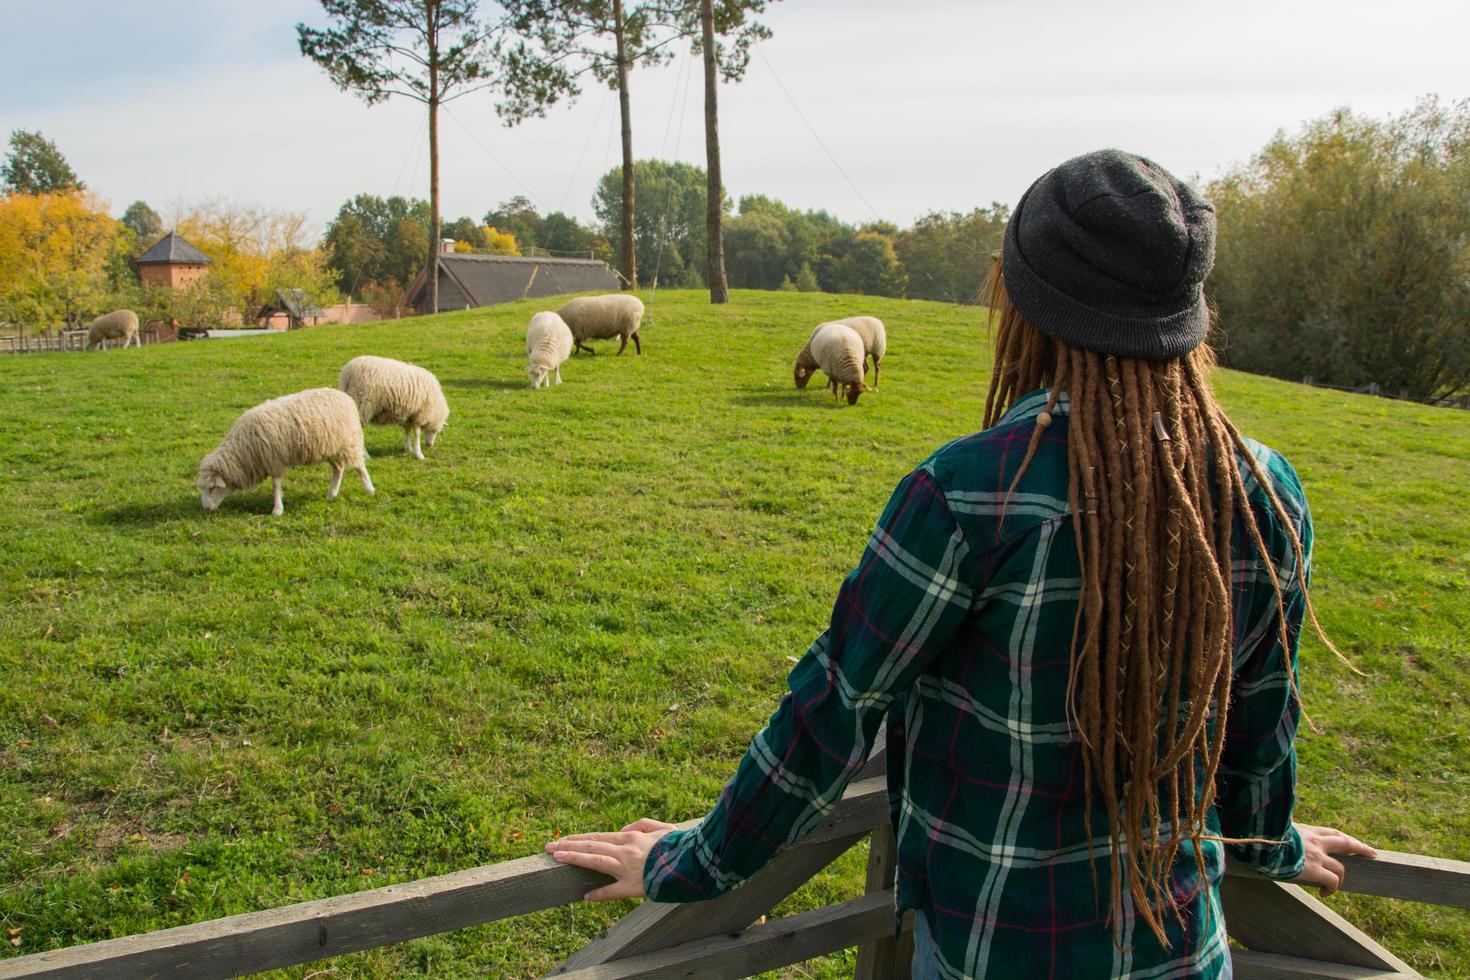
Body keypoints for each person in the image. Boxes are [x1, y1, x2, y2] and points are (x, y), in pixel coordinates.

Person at [545, 150, 1376, 978]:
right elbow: (1260, 724)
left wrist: (693, 863)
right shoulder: (1265, 488)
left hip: (994, 947)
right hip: (1182, 951)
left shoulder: (971, 494)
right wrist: (1273, 843)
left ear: (1023, 301)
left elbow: (834, 707)